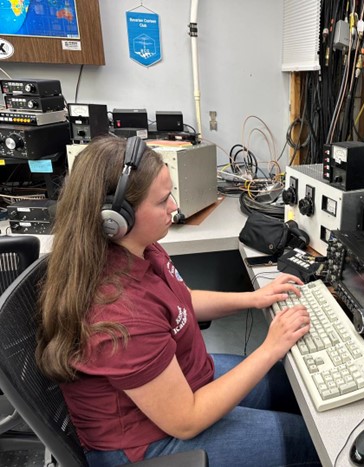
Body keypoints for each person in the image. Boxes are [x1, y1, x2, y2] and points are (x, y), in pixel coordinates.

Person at [36, 135, 321, 466]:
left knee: (295, 385)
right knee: (313, 442)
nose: (175, 207)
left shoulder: (136, 247)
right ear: (115, 219)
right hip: (151, 443)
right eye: (161, 202)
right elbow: (187, 420)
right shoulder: (119, 314)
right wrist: (270, 346)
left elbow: (181, 302)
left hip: (183, 382)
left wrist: (254, 298)